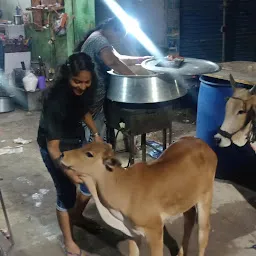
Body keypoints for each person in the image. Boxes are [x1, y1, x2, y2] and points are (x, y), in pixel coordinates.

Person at [37, 52, 103, 256]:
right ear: (67, 77)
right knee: (66, 193)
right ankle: (68, 241)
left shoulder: (84, 92)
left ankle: (77, 216)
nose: (82, 87)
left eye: (86, 82)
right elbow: (53, 148)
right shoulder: (55, 101)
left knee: (88, 184)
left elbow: (84, 111)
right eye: (77, 82)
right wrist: (68, 172)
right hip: (55, 147)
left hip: (75, 141)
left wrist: (96, 134)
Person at [75, 17, 152, 144]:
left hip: (94, 96)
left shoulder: (99, 38)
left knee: (97, 130)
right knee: (93, 133)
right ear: (113, 30)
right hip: (92, 96)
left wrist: (141, 59)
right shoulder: (99, 41)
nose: (120, 40)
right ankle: (92, 156)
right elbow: (113, 62)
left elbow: (118, 58)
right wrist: (137, 80)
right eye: (120, 36)